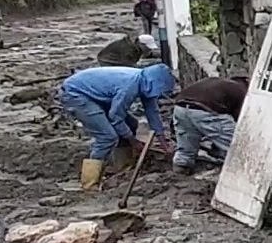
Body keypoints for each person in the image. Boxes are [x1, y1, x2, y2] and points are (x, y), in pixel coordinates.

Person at [59, 64, 177, 192]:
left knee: (131, 124)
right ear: (153, 84)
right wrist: (134, 141)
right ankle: (89, 183)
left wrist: (164, 143)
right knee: (107, 136)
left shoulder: (144, 82)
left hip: (96, 94)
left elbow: (152, 112)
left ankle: (123, 165)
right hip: (76, 94)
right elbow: (115, 117)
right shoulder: (130, 86)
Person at [172, 76, 247, 176]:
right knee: (236, 145)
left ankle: (180, 169)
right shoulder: (242, 91)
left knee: (186, 146)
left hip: (180, 107)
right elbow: (240, 120)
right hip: (205, 109)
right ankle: (239, 172)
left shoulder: (217, 82)